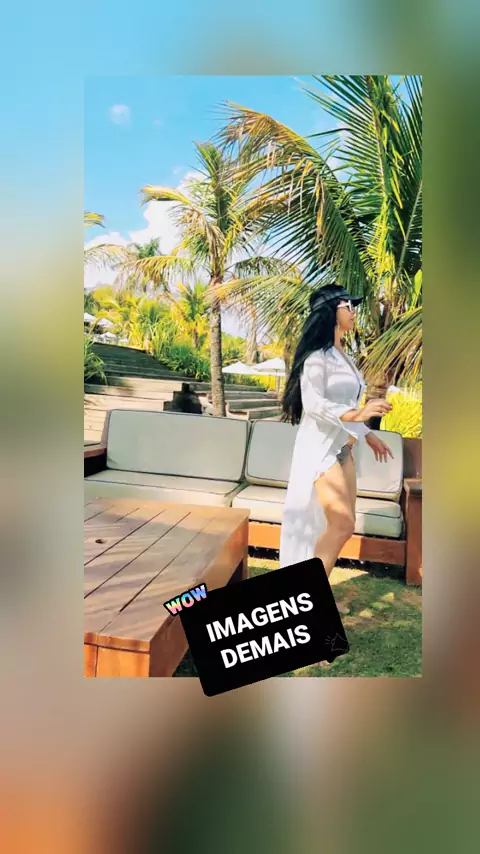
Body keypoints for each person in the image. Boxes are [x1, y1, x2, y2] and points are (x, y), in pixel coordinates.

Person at [279, 284, 394, 577]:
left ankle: (313, 589)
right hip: (320, 450)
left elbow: (347, 404)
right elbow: (314, 404)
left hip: (344, 450)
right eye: (348, 306)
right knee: (342, 524)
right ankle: (310, 593)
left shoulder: (344, 356)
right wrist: (359, 414)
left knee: (343, 526)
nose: (353, 312)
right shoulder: (317, 357)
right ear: (330, 311)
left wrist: (368, 434)